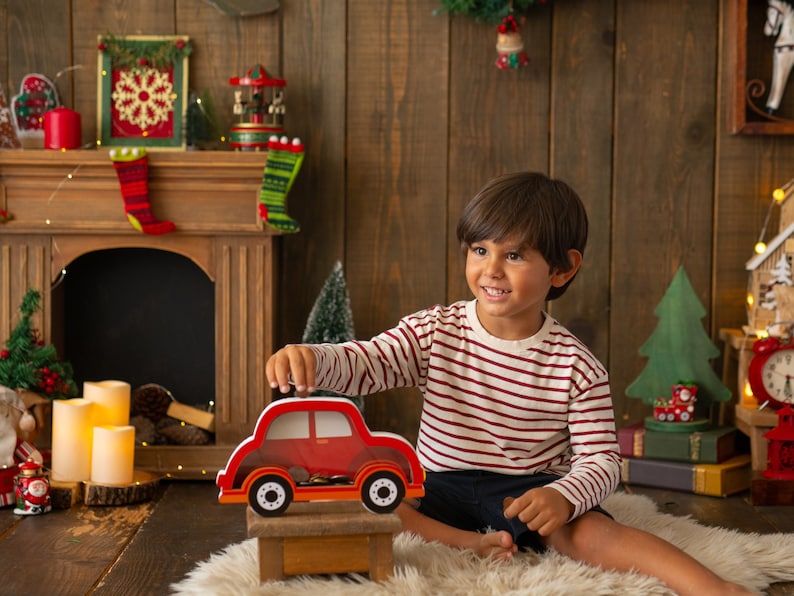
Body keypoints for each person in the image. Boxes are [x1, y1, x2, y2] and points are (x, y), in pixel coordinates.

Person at [266, 172, 753, 596]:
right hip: (437, 485)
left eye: (515, 255)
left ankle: (712, 586)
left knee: (587, 535)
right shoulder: (437, 331)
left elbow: (603, 460)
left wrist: (564, 496)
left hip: (529, 491)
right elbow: (367, 361)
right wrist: (312, 356)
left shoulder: (575, 365)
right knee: (368, 496)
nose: (491, 270)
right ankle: (472, 544)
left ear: (562, 268)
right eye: (480, 250)